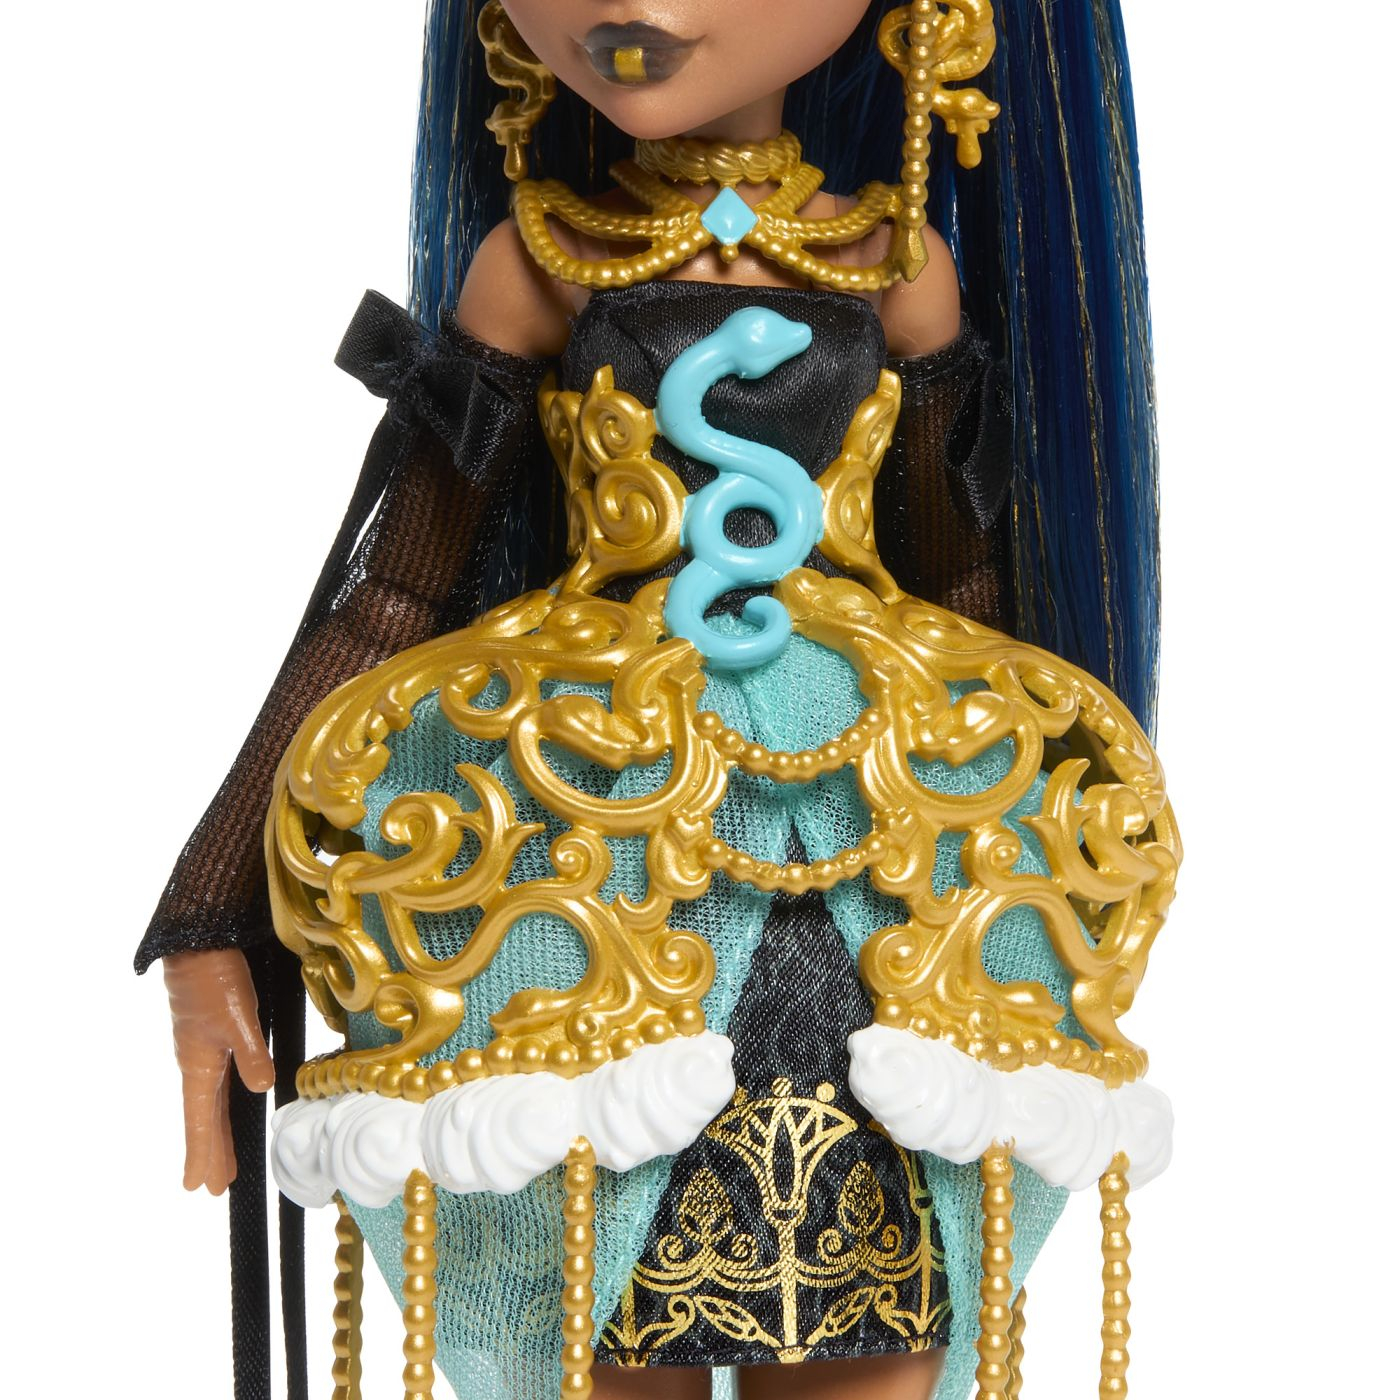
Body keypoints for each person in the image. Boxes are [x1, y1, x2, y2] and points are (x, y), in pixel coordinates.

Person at [138, 4, 1177, 1398]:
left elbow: (970, 589)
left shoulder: (898, 269)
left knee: (884, 1314)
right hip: (582, 857)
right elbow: (391, 593)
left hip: (886, 881)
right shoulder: (537, 265)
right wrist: (210, 903)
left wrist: (1060, 852)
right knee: (591, 1305)